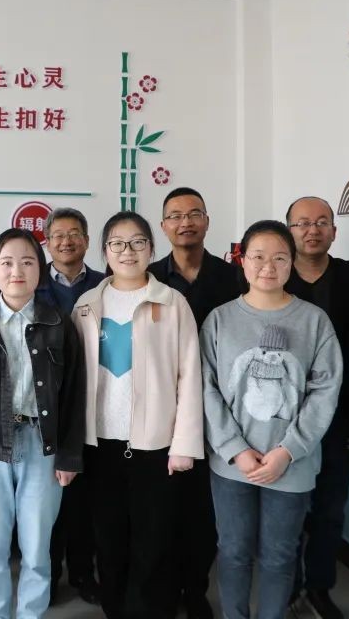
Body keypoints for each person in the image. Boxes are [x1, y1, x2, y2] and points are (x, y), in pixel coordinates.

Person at [202, 219, 342, 619]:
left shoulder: (314, 321)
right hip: (233, 465)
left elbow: (325, 390)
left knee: (280, 555)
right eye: (258, 257)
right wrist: (235, 449)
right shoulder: (219, 319)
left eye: (279, 258)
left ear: (292, 262)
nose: (268, 266)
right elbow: (205, 388)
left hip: (292, 464)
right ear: (242, 261)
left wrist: (288, 450)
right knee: (233, 551)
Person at [0, 227, 86, 619]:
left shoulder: (58, 323)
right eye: (7, 262)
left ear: (40, 268)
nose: (17, 271)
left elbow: (74, 395)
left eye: (27, 262)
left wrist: (69, 456)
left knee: (37, 550)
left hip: (43, 448)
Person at [72, 211, 205, 619]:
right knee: (109, 539)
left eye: (137, 242)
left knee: (154, 540)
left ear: (151, 248)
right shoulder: (86, 304)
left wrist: (183, 445)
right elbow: (72, 380)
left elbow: (190, 376)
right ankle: (116, 608)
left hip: (156, 447)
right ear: (104, 251)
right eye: (117, 243)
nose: (127, 251)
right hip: (100, 445)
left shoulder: (172, 302)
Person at [149, 187, 239, 619]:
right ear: (163, 226)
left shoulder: (233, 277)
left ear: (207, 221)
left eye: (194, 214)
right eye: (175, 215)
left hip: (218, 411)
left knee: (204, 512)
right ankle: (166, 589)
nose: (185, 222)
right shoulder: (148, 277)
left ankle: (196, 589)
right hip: (161, 412)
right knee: (163, 507)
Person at [284, 196, 349, 619]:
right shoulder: (275, 274)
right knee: (286, 509)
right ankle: (286, 586)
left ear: (334, 231)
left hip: (337, 416)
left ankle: (319, 587)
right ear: (289, 231)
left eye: (321, 222)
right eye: (302, 223)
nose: (312, 230)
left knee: (330, 508)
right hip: (283, 418)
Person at [35, 207, 104, 605]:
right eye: (58, 235)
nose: (66, 241)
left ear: (87, 241)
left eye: (74, 234)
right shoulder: (32, 283)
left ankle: (82, 572)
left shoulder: (106, 284)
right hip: (46, 406)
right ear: (47, 242)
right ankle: (47, 575)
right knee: (46, 503)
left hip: (95, 404)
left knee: (84, 501)